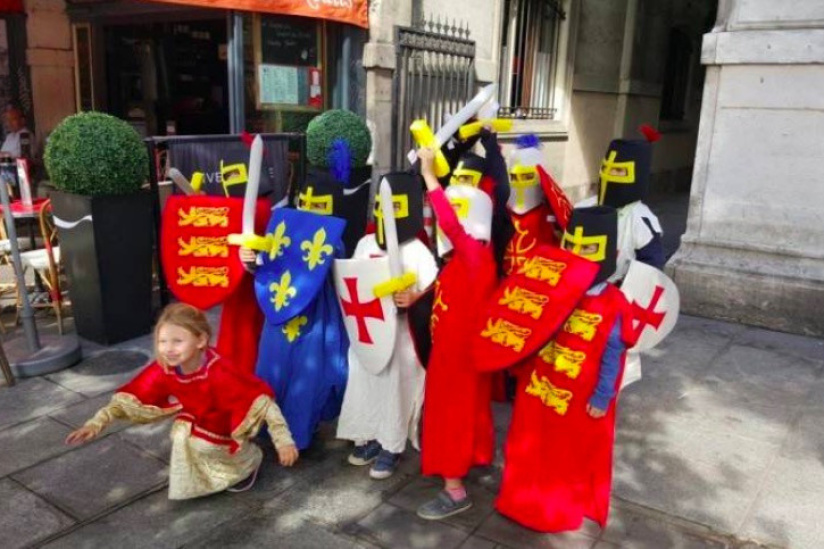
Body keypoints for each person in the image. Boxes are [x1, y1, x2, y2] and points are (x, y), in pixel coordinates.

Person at [495, 206, 638, 532]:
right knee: (528, 444)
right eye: (571, 246)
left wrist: (603, 396)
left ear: (609, 252)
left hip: (577, 395)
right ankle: (519, 502)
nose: (577, 254)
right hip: (537, 385)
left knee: (563, 453)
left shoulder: (614, 303)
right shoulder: (551, 286)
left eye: (588, 248)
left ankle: (553, 511)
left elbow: (614, 353)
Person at [65, 303, 298, 500]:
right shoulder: (166, 368)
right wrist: (96, 423)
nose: (168, 349)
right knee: (181, 434)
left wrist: (283, 442)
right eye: (162, 341)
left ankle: (247, 461)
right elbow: (133, 396)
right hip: (197, 420)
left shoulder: (220, 372)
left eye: (177, 341)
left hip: (226, 424)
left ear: (200, 340)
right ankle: (212, 475)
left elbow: (262, 403)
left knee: (199, 443)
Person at [336, 172, 438, 479]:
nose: (385, 214)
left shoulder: (417, 251)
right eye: (381, 205)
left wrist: (415, 298)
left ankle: (391, 445)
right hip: (368, 336)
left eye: (393, 206)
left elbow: (434, 294)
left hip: (402, 339)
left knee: (395, 387)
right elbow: (352, 282)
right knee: (364, 383)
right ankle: (367, 435)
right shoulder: (366, 243)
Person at [416, 147, 497, 520]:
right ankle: (471, 460)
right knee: (463, 417)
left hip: (458, 360)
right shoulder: (463, 260)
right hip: (453, 355)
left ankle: (454, 491)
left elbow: (449, 224)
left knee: (451, 419)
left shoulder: (476, 256)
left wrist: (431, 176)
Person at [577, 125, 665, 282]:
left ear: (636, 174)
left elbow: (651, 266)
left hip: (616, 293)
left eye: (618, 171)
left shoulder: (641, 220)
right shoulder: (581, 208)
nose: (610, 175)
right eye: (606, 168)